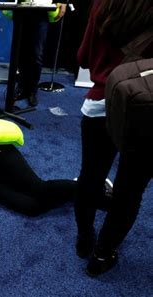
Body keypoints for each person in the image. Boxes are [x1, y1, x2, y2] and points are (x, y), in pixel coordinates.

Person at [74, 0, 153, 277]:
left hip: (100, 102)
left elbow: (83, 57)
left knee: (91, 177)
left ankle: (85, 240)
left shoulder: (102, 3)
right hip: (147, 109)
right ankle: (102, 255)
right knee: (130, 189)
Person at [15, 1, 67, 107]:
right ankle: (21, 86)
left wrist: (63, 2)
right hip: (21, 10)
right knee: (21, 52)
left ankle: (32, 90)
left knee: (36, 54)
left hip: (41, 12)